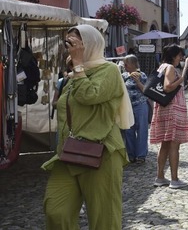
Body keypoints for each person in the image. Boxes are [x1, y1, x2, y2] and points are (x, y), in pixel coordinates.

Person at [42, 25, 134, 229]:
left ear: (91, 44)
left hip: (101, 152)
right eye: (69, 44)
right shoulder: (73, 75)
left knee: (104, 219)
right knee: (56, 211)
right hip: (69, 153)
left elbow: (89, 96)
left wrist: (77, 65)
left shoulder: (108, 71)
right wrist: (75, 70)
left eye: (76, 44)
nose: (71, 49)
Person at [149, 44, 188, 189]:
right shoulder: (171, 68)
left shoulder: (162, 66)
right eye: (179, 55)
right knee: (174, 144)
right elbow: (167, 87)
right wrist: (182, 79)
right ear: (173, 55)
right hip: (173, 108)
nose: (181, 58)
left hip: (163, 107)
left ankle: (160, 177)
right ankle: (174, 179)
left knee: (165, 145)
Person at [122, 54, 150, 164]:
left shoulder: (141, 75)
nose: (124, 66)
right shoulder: (123, 76)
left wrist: (138, 82)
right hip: (127, 106)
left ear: (133, 64)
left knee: (142, 130)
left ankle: (141, 155)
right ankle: (131, 154)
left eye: (126, 64)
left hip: (140, 105)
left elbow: (146, 91)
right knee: (129, 130)